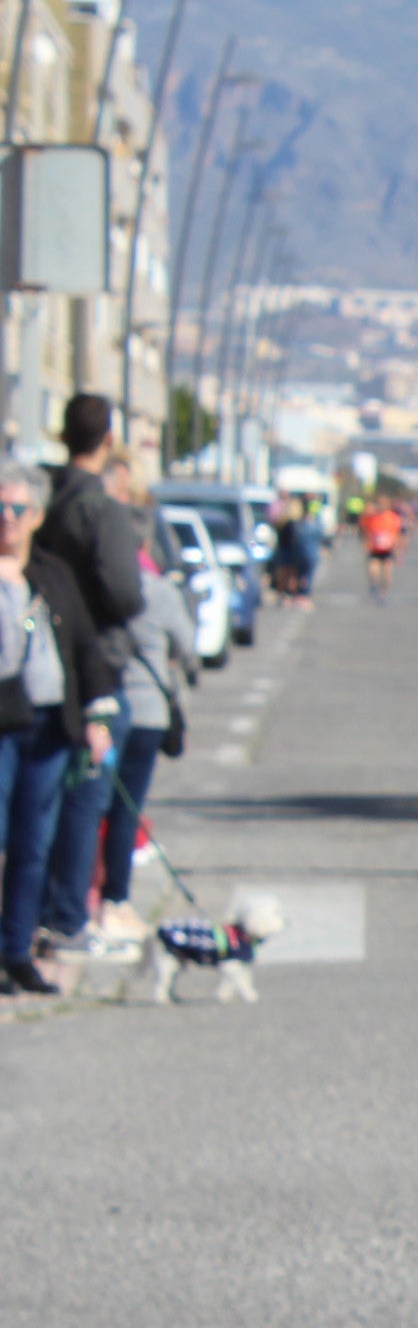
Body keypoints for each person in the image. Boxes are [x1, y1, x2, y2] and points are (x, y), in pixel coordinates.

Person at [32, 395, 147, 961]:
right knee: (86, 798)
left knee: (41, 800)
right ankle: (69, 918)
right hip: (94, 662)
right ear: (107, 440)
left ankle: (42, 915)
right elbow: (127, 593)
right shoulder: (101, 510)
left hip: (36, 661)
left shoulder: (41, 497)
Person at [0, 461, 114, 994]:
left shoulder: (52, 575)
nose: (7, 518)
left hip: (48, 725)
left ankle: (16, 951)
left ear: (37, 516)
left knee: (32, 843)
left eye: (17, 509)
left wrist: (97, 715)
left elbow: (87, 650)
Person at [95, 473, 198, 944]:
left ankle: (88, 896)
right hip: (149, 714)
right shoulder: (160, 591)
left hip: (104, 709)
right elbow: (189, 648)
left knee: (96, 808)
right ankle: (114, 900)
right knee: (126, 811)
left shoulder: (99, 586)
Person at [362, 498, 404, 600]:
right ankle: (374, 585)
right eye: (380, 504)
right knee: (373, 570)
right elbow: (368, 531)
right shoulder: (373, 517)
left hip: (388, 549)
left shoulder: (393, 517)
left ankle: (384, 591)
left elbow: (398, 534)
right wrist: (367, 543)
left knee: (387, 572)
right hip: (375, 548)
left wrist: (398, 552)